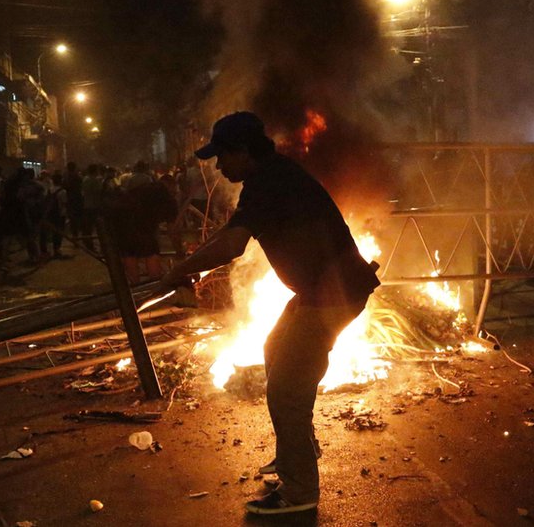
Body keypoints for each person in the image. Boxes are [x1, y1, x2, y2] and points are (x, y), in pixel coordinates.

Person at [153, 112, 379, 515]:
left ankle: (299, 492)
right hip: (319, 290)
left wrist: (179, 269)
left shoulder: (269, 182)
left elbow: (232, 245)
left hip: (331, 295)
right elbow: (230, 236)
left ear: (243, 151)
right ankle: (299, 449)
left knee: (286, 390)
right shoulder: (270, 176)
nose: (219, 166)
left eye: (222, 156)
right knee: (274, 349)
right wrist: (196, 265)